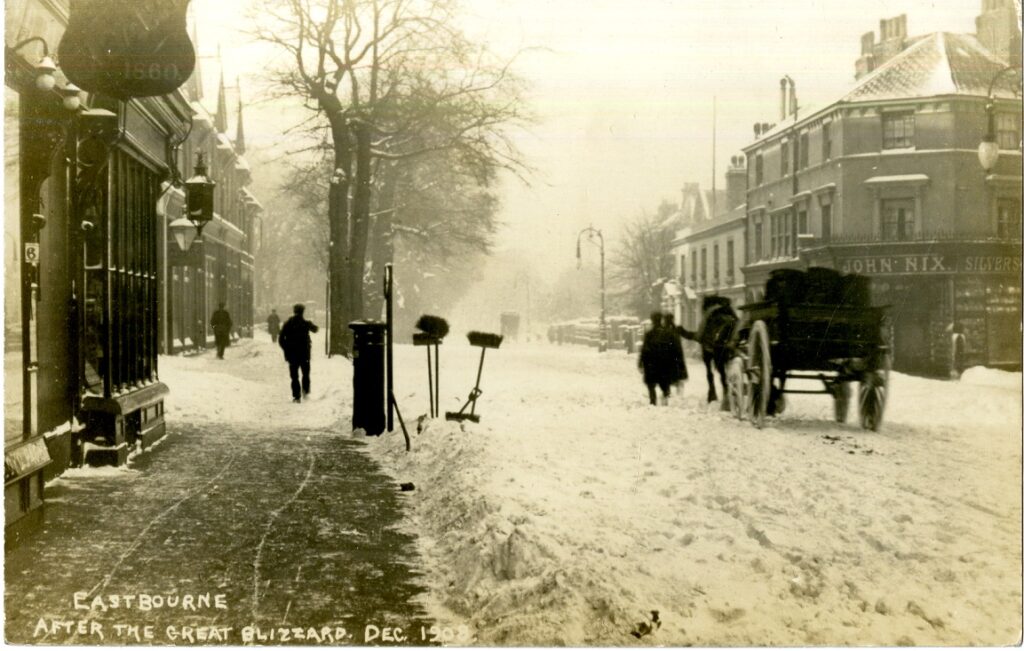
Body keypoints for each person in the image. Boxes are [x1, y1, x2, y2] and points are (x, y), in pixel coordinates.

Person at [279, 303, 319, 403]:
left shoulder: (288, 323)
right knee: (305, 374)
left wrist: (286, 349)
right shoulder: (305, 323)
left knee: (294, 376)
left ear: (294, 311)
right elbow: (316, 329)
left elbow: (281, 339)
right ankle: (305, 392)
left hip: (292, 354)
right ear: (303, 311)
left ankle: (297, 396)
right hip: (304, 354)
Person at [638, 312, 673, 406]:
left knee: (650, 383)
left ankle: (653, 400)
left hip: (651, 362)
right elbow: (671, 349)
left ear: (652, 320)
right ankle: (665, 395)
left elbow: (644, 349)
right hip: (664, 361)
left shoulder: (649, 333)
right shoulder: (667, 333)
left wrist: (640, 362)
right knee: (664, 381)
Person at [662, 312, 688, 393]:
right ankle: (679, 388)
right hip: (677, 354)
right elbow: (686, 335)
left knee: (666, 371)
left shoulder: (662, 330)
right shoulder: (676, 329)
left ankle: (667, 389)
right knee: (677, 371)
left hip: (666, 354)